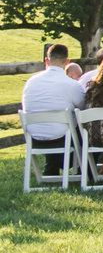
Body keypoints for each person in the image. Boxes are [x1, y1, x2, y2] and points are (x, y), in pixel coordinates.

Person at [21, 43, 87, 175]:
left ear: (46, 60)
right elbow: (83, 107)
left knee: (58, 126)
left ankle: (51, 169)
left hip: (34, 137)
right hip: (62, 138)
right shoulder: (72, 85)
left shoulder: (30, 82)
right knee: (80, 127)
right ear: (67, 62)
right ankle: (84, 170)